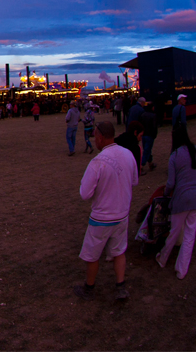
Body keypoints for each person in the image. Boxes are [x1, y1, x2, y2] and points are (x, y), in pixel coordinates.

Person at [74, 121, 138, 302]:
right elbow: (134, 181)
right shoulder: (128, 154)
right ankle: (120, 286)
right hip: (122, 214)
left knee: (92, 255)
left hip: (101, 217)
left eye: (95, 137)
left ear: (100, 137)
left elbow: (85, 194)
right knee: (119, 251)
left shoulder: (98, 162)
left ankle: (89, 287)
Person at [156, 124, 196, 279]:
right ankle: (181, 270)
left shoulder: (175, 156)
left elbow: (171, 183)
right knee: (190, 235)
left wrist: (164, 194)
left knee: (174, 232)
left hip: (182, 199)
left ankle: (163, 258)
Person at [140, 103, 158, 172]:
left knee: (147, 149)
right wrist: (154, 135)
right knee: (147, 150)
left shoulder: (143, 115)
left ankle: (150, 163)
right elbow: (154, 127)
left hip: (144, 135)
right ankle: (141, 165)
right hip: (150, 135)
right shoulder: (153, 116)